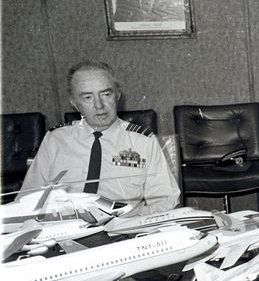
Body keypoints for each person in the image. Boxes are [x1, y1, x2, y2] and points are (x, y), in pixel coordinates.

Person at [19, 60, 180, 215]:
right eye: (87, 97)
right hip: (65, 230)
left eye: (106, 94)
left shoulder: (143, 141)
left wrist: (132, 218)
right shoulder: (56, 139)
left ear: (117, 96)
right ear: (74, 103)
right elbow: (27, 199)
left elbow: (165, 200)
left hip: (123, 230)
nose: (99, 105)